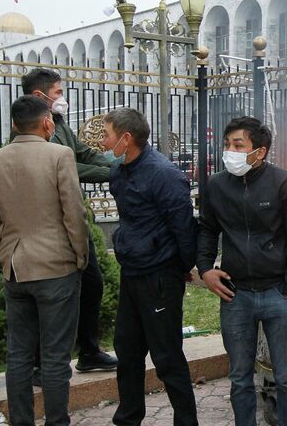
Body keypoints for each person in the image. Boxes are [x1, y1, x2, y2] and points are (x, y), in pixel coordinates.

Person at [197, 116, 287, 426]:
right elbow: (207, 230)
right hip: (236, 295)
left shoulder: (284, 183)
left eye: (238, 145)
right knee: (239, 379)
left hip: (278, 294)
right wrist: (206, 269)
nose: (230, 151)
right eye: (227, 145)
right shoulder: (217, 185)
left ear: (259, 152)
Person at [0, 95, 88, 426]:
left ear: (14, 124)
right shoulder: (60, 154)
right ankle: (57, 422)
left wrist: (5, 253)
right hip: (57, 267)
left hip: (15, 269)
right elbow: (73, 212)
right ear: (47, 123)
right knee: (55, 358)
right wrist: (79, 256)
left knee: (19, 355)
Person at [100, 108, 199, 426]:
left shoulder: (164, 174)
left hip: (160, 277)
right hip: (131, 273)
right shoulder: (119, 171)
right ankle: (128, 418)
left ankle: (186, 421)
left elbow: (184, 228)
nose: (104, 141)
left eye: (107, 134)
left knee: (167, 356)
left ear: (126, 139)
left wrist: (181, 267)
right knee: (127, 352)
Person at [20, 68, 117, 373]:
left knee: (92, 283)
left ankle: (88, 351)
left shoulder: (58, 123)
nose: (62, 98)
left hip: (73, 216)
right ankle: (38, 363)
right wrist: (113, 172)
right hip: (48, 222)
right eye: (58, 92)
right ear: (40, 95)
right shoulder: (28, 129)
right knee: (49, 294)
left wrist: (120, 161)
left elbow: (83, 154)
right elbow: (65, 164)